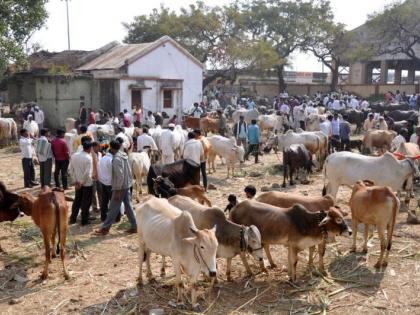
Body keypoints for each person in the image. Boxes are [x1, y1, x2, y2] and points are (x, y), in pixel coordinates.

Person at [95, 140, 137, 235]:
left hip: (120, 187)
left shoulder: (117, 159)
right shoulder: (123, 155)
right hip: (126, 185)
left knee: (113, 207)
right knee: (129, 206)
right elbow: (129, 171)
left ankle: (105, 228)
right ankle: (135, 226)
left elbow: (120, 176)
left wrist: (117, 190)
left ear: (111, 147)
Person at [69, 140, 94, 225]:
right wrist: (82, 182)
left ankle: (73, 218)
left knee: (77, 200)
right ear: (90, 148)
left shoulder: (74, 156)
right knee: (86, 202)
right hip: (86, 183)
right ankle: (84, 220)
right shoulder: (88, 157)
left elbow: (70, 169)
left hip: (77, 183)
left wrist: (75, 181)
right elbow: (87, 172)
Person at [98, 146, 114, 222]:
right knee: (113, 202)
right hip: (110, 183)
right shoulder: (111, 160)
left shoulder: (102, 158)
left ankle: (103, 217)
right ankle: (115, 218)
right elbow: (113, 172)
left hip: (103, 182)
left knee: (104, 201)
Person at [91, 141, 102, 212]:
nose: (100, 148)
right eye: (98, 146)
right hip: (93, 176)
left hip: (100, 175)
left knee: (100, 191)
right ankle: (94, 207)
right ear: (94, 147)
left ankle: (102, 205)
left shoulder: (100, 154)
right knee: (93, 192)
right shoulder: (90, 154)